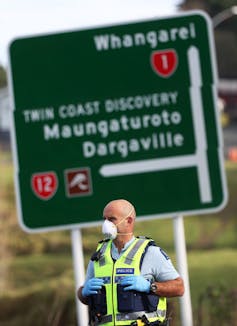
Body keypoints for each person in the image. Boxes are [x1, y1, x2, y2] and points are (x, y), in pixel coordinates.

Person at [78, 199, 184, 326]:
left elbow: (179, 287)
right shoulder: (99, 255)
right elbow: (84, 296)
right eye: (104, 219)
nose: (106, 224)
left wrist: (150, 287)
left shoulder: (151, 252)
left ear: (129, 221)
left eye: (111, 219)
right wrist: (83, 292)